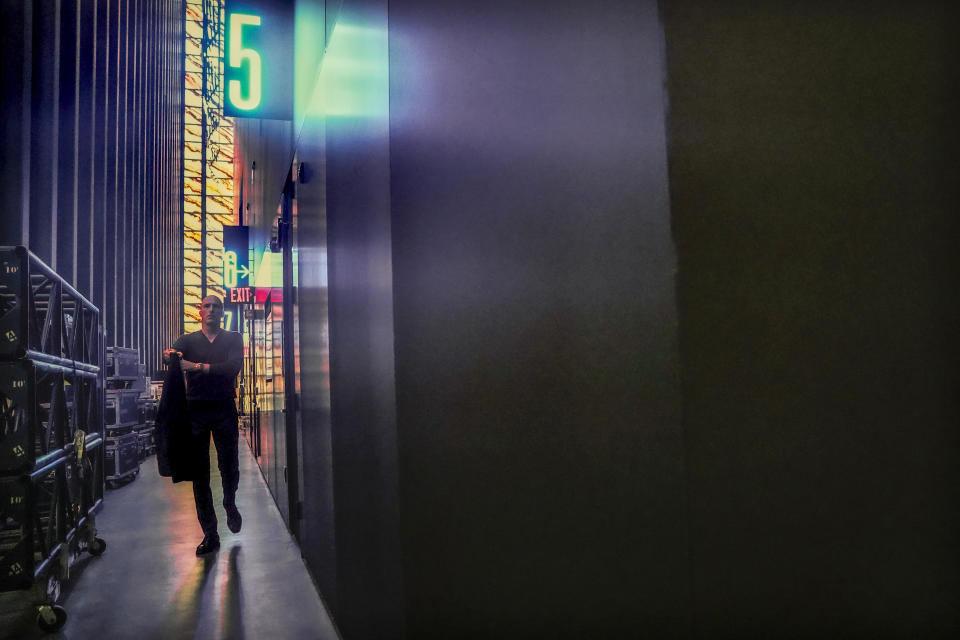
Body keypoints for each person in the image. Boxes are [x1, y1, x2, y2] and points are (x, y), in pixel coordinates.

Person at [164, 295, 244, 555]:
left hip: (224, 408)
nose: (211, 310)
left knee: (229, 465)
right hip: (195, 410)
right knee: (200, 474)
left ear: (222, 311)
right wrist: (171, 357)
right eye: (206, 306)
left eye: (216, 306)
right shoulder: (187, 340)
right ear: (200, 312)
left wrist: (196, 366)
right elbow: (171, 359)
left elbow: (232, 367)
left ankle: (229, 502)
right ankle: (210, 534)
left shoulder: (233, 338)